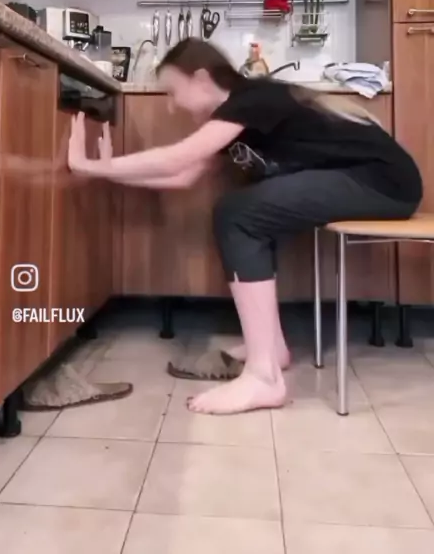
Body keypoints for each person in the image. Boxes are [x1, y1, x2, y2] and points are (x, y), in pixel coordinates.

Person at [67, 38, 422, 416]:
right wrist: (108, 173)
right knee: (247, 211)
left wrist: (93, 166)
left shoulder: (251, 98)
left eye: (173, 91)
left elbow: (177, 159)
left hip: (382, 183)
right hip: (366, 182)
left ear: (201, 78)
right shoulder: (238, 115)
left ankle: (264, 377)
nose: (172, 105)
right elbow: (183, 177)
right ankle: (270, 351)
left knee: (238, 213)